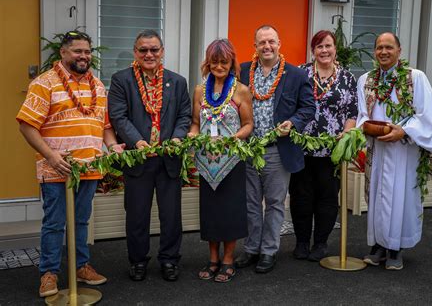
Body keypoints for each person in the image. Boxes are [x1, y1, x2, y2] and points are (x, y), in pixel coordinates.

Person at [16, 31, 123, 298]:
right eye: (77, 51)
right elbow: (27, 125)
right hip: (56, 169)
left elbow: (105, 126)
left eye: (87, 51)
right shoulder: (45, 83)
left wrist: (112, 146)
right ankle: (49, 273)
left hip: (89, 167)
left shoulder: (97, 85)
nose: (83, 56)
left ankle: (81, 267)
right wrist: (52, 157)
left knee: (82, 221)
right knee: (55, 222)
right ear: (63, 53)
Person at [108, 29, 192, 282]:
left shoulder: (177, 81)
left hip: (169, 159)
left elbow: (184, 115)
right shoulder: (121, 80)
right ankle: (138, 261)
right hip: (139, 159)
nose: (149, 54)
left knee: (171, 215)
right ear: (135, 52)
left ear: (162, 51)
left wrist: (178, 137)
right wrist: (138, 142)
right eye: (143, 50)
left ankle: (169, 259)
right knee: (137, 215)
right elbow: (119, 117)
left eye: (154, 49)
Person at [356, 32, 432, 270]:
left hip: (404, 150)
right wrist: (367, 127)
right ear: (374, 51)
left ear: (399, 51)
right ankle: (378, 246)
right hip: (378, 148)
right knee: (377, 196)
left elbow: (427, 115)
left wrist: (403, 132)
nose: (383, 51)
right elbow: (363, 113)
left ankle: (396, 248)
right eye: (379, 47)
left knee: (401, 196)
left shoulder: (416, 78)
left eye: (389, 47)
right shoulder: (366, 80)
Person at [235, 25, 315, 273]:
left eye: (271, 42)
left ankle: (269, 251)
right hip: (249, 149)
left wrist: (294, 122)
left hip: (277, 150)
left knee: (274, 203)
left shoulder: (296, 75)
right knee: (250, 203)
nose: (267, 46)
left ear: (279, 44)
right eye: (262, 43)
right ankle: (251, 248)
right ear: (255, 46)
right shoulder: (243, 72)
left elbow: (308, 108)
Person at [289, 30, 358, 261]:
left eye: (328, 45)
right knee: (300, 196)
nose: (324, 50)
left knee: (327, 197)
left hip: (332, 150)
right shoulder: (300, 73)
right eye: (319, 46)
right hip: (302, 147)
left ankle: (320, 243)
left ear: (335, 48)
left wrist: (347, 133)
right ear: (313, 50)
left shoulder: (347, 78)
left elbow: (352, 112)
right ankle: (300, 242)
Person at [188, 39, 253, 283]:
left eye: (224, 62)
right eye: (214, 62)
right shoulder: (199, 90)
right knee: (211, 211)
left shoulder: (241, 90)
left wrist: (231, 140)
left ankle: (228, 260)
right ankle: (212, 258)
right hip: (207, 162)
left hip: (233, 160)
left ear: (231, 63)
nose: (219, 66)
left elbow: (248, 125)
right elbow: (196, 122)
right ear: (208, 63)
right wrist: (192, 136)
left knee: (230, 211)